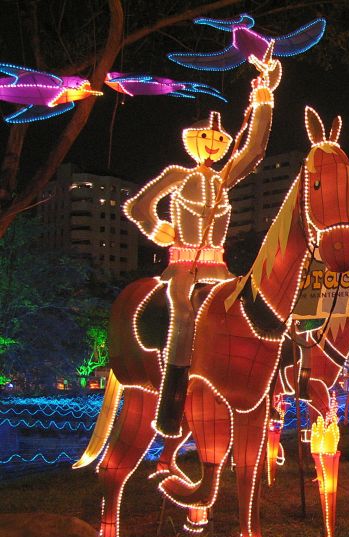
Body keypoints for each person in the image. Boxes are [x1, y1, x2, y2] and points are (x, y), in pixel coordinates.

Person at [123, 50, 280, 437]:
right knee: (183, 318)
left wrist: (264, 98)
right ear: (191, 140)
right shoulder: (178, 175)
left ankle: (276, 359)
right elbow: (137, 205)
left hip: (218, 267)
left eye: (218, 139)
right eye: (205, 137)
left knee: (252, 296)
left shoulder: (225, 178)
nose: (212, 144)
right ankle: (170, 407)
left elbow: (254, 151)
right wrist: (156, 227)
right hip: (184, 268)